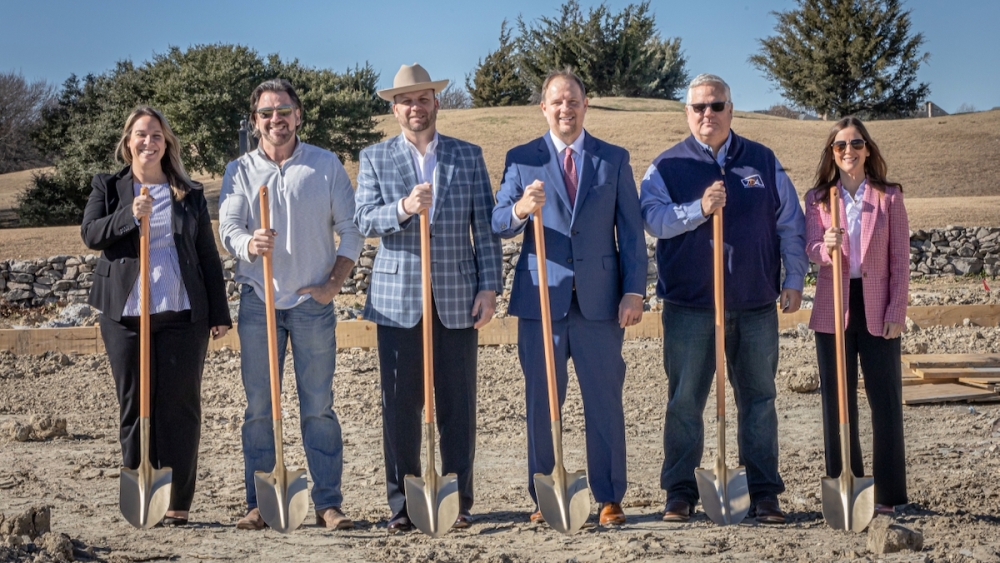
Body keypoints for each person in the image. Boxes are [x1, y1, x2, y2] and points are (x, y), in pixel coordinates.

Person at [640, 73, 808, 524]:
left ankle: (764, 492)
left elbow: (791, 223)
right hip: (690, 307)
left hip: (755, 304)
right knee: (684, 402)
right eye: (699, 108)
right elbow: (652, 220)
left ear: (731, 110)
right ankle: (679, 492)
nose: (707, 114)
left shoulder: (762, 161)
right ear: (687, 113)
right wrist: (700, 208)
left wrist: (794, 278)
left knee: (759, 400)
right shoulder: (666, 166)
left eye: (716, 106)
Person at [492, 68, 647, 526]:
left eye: (573, 100)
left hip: (601, 303)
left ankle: (609, 496)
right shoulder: (522, 158)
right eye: (556, 101)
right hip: (541, 301)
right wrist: (522, 208)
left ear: (586, 105)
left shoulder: (613, 159)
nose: (565, 108)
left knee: (604, 400)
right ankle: (545, 493)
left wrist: (634, 290)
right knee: (542, 400)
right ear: (544, 108)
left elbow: (632, 233)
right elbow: (499, 220)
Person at [354, 63, 503, 533]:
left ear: (437, 103)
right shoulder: (374, 158)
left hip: (458, 298)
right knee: (399, 405)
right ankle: (403, 503)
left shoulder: (468, 155)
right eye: (406, 101)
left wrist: (489, 286)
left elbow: (487, 228)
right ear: (394, 109)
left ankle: (458, 501)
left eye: (423, 99)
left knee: (458, 404)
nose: (415, 107)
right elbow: (363, 221)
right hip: (397, 300)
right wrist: (402, 208)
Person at [219, 79, 364, 531]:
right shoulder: (239, 170)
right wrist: (248, 242)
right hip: (258, 302)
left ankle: (327, 503)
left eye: (284, 110)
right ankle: (260, 503)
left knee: (318, 405)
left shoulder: (324, 166)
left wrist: (332, 285)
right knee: (260, 407)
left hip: (311, 304)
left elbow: (352, 230)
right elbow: (227, 226)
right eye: (266, 113)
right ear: (255, 120)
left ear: (299, 115)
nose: (275, 119)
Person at [82, 106, 231, 526]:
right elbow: (91, 234)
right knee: (135, 405)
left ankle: (178, 502)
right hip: (124, 315)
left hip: (182, 315)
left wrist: (218, 312)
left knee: (180, 408)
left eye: (158, 137)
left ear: (168, 145)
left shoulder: (189, 192)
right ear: (128, 140)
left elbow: (207, 256)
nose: (149, 143)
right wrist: (129, 216)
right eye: (142, 135)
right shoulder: (108, 187)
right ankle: (141, 490)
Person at [805, 116, 909, 516]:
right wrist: (822, 246)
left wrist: (896, 310)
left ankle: (888, 494)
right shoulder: (817, 198)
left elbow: (900, 260)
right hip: (834, 305)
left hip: (878, 303)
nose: (848, 151)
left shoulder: (890, 197)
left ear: (868, 150)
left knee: (885, 401)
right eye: (840, 146)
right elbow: (810, 247)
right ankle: (847, 485)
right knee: (837, 401)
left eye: (856, 144)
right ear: (832, 153)